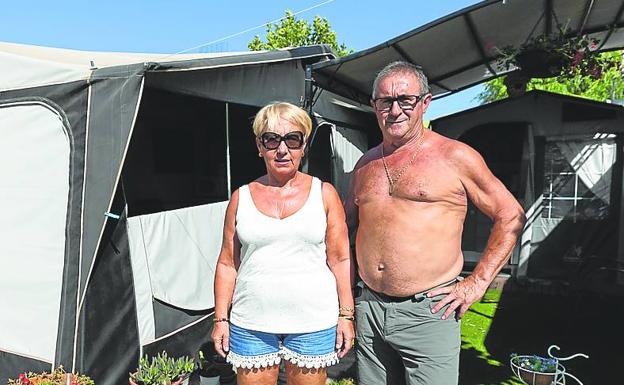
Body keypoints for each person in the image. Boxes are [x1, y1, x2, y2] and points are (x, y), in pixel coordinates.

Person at [345, 61, 526, 385]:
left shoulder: (455, 157)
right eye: (385, 101)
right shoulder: (365, 164)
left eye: (405, 100)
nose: (395, 110)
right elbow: (346, 228)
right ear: (374, 106)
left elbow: (510, 214)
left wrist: (477, 283)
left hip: (429, 311)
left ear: (425, 103)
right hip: (370, 308)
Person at [212, 102, 355, 385]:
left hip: (312, 322)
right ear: (259, 146)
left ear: (303, 145)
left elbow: (341, 259)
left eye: (292, 139)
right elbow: (228, 263)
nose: (282, 149)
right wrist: (220, 319)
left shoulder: (324, 194)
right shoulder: (240, 197)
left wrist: (346, 315)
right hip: (251, 322)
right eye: (271, 139)